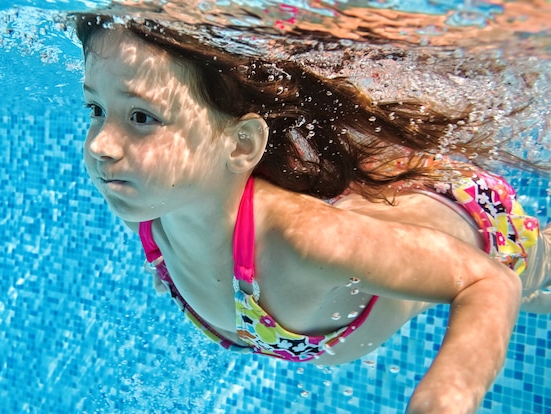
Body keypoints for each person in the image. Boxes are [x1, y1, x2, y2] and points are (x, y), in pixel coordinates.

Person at [73, 12, 551, 414]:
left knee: (530, 284)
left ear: (241, 145)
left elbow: (489, 282)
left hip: (478, 227)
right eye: (95, 109)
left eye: (141, 117)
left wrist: (444, 398)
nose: (100, 144)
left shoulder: (306, 239)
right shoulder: (155, 204)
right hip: (378, 201)